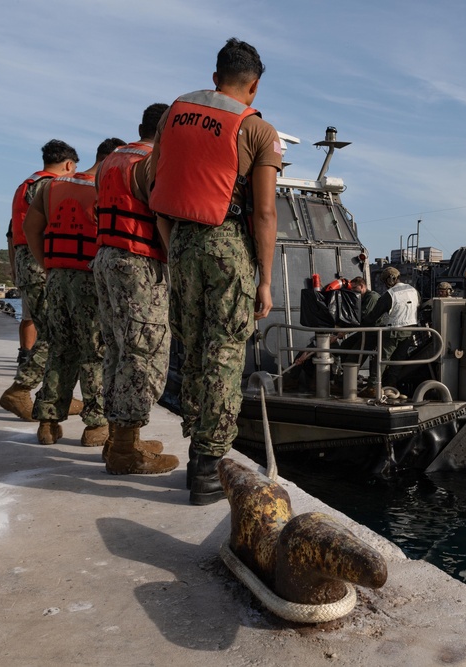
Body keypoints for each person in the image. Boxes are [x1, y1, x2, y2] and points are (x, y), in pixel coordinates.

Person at [149, 37, 281, 505]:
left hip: (180, 241)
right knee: (224, 352)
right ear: (254, 87)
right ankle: (208, 468)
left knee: (192, 347)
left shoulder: (174, 114)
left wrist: (173, 244)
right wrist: (264, 279)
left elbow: (154, 185)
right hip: (228, 244)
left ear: (214, 78)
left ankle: (194, 449)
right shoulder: (258, 131)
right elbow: (264, 214)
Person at [92, 104, 178, 475]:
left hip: (106, 258)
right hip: (138, 261)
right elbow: (161, 214)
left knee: (117, 348)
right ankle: (126, 450)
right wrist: (176, 265)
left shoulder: (112, 160)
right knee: (145, 352)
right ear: (164, 131)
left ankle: (119, 437)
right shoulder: (152, 161)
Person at [23, 138, 124, 447]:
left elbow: (30, 229)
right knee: (95, 352)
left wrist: (48, 265)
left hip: (56, 277)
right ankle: (95, 425)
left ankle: (48, 423)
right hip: (91, 278)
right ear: (111, 160)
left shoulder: (50, 188)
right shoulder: (104, 190)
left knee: (59, 349)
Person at [0, 140, 80, 421]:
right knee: (55, 333)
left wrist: (15, 268)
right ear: (69, 165)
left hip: (26, 261)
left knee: (52, 329)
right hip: (41, 262)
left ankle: (56, 396)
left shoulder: (25, 185)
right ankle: (20, 389)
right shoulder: (50, 187)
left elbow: (13, 233)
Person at [358, 265, 419, 398]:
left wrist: (359, 324)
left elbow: (374, 314)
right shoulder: (413, 290)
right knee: (398, 361)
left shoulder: (390, 294)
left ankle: (373, 387)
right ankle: (391, 386)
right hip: (409, 332)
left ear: (389, 280)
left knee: (381, 359)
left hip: (392, 331)